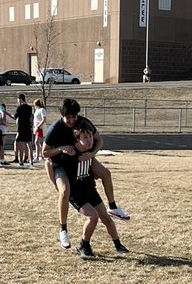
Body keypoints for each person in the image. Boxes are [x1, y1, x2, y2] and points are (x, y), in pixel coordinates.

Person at [43, 98, 129, 250]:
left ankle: (113, 207)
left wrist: (92, 154)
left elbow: (99, 139)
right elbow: (46, 156)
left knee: (106, 173)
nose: (71, 120)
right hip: (61, 163)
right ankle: (63, 229)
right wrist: (61, 148)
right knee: (65, 191)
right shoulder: (55, 129)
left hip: (84, 165)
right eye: (68, 117)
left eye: (74, 117)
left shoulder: (83, 124)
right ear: (63, 116)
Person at [66, 124, 129, 258]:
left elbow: (100, 170)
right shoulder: (70, 153)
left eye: (90, 137)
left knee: (106, 217)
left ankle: (118, 244)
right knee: (93, 217)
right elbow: (49, 163)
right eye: (85, 137)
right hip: (76, 194)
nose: (89, 140)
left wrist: (93, 170)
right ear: (78, 139)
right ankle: (83, 245)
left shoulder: (90, 152)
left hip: (89, 189)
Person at [13, 93, 34, 167]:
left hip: (21, 128)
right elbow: (31, 117)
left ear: (20, 99)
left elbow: (16, 117)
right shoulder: (29, 107)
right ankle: (31, 160)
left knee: (21, 146)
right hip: (28, 127)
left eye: (18, 100)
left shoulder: (19, 108)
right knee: (29, 145)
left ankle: (21, 161)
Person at [32, 98, 47, 162]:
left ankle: (37, 157)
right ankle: (41, 156)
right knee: (40, 143)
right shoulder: (36, 110)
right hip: (37, 128)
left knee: (37, 142)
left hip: (40, 128)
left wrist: (38, 126)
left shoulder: (42, 110)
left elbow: (44, 119)